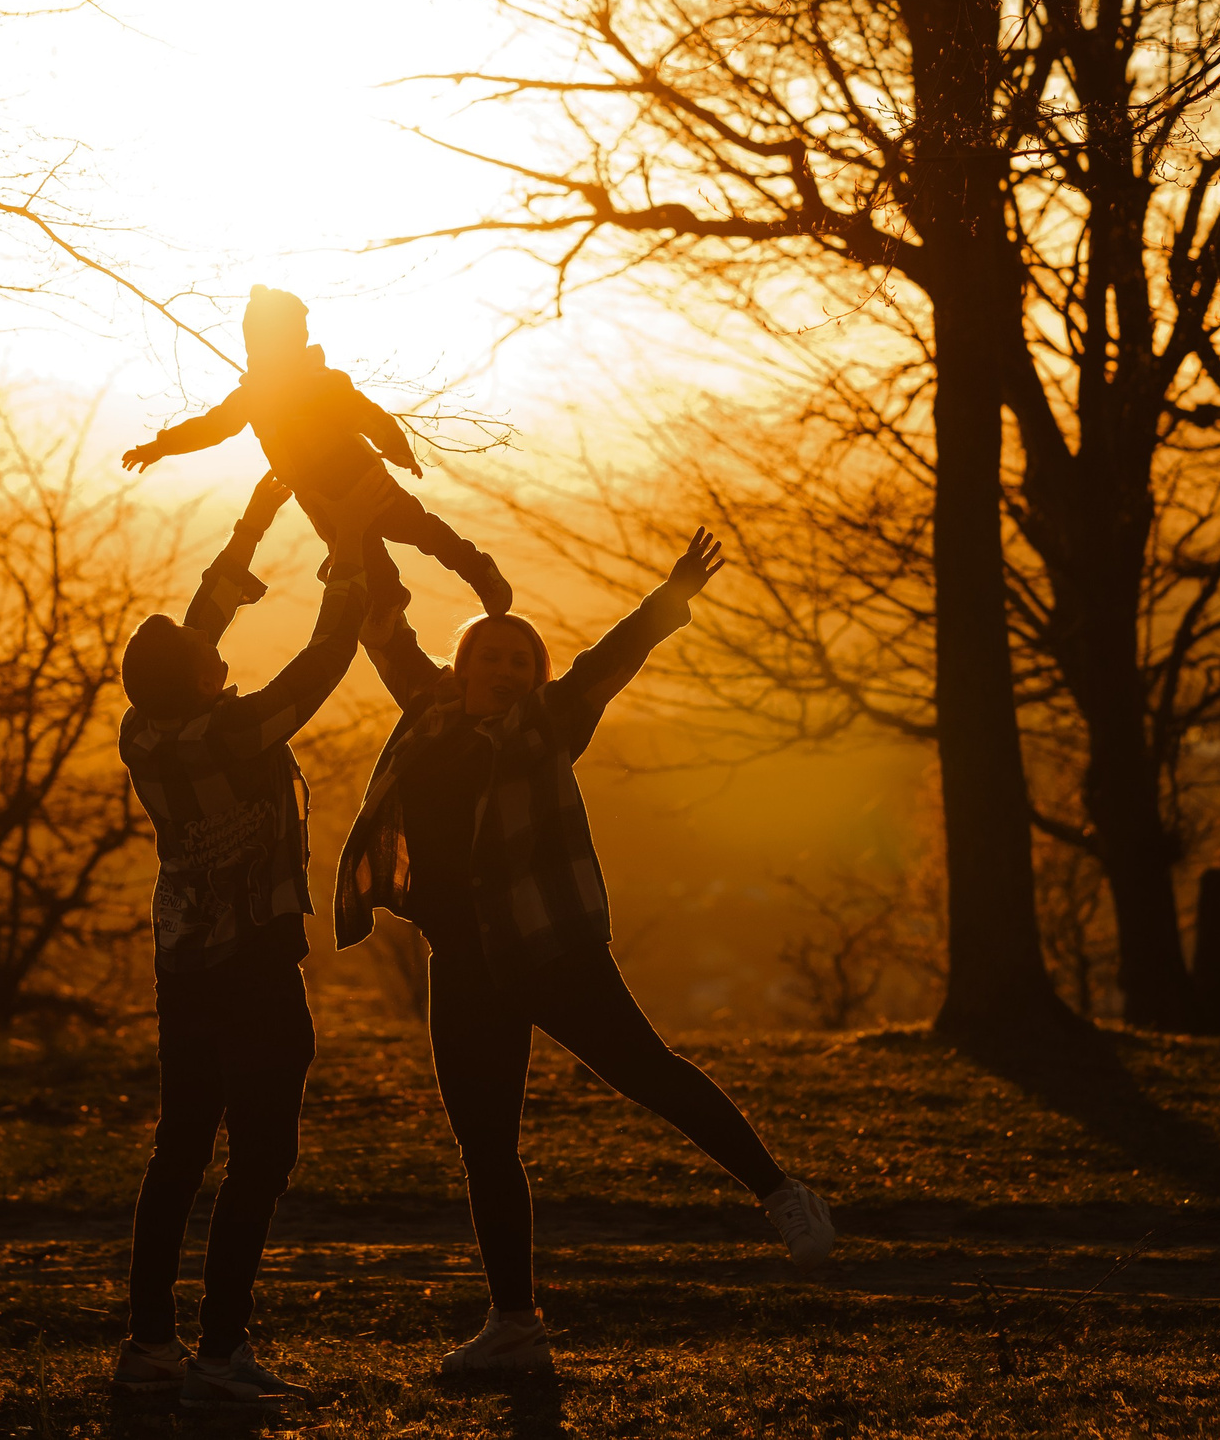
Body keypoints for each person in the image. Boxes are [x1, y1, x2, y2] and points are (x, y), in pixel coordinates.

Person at [334, 529, 836, 1374]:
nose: (503, 670)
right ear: (463, 666)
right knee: (486, 1144)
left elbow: (614, 657)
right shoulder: (428, 710)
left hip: (547, 945)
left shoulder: (551, 721)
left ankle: (782, 1193)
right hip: (462, 959)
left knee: (649, 1071)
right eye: (488, 656)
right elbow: (385, 630)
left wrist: (672, 595)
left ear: (533, 679)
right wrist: (343, 518)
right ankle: (515, 1324)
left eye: (519, 663)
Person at [108, 476, 379, 1411]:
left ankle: (149, 1342)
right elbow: (325, 659)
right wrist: (347, 567)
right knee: (260, 1156)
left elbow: (198, 629)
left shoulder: (145, 731)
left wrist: (258, 521)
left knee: (179, 1149)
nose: (214, 656)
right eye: (205, 659)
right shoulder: (234, 731)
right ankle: (222, 1356)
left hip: (183, 962)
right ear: (200, 680)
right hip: (255, 963)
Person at [120, 285, 513, 617]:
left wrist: (395, 448)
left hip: (365, 483)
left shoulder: (320, 383)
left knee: (422, 531)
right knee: (365, 563)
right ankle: (387, 601)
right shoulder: (253, 397)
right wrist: (162, 445)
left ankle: (477, 568)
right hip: (322, 503)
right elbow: (212, 427)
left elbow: (366, 415)